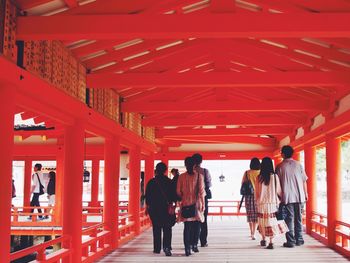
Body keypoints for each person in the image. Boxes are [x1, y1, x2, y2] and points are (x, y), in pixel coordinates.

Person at [276, 145, 308, 248]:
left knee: (289, 219)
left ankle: (290, 241)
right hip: (299, 195)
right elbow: (304, 181)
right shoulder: (299, 165)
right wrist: (306, 193)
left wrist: (278, 197)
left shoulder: (280, 166)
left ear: (283, 154)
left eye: (281, 152)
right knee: (298, 218)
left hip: (287, 196)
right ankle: (299, 240)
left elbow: (277, 184)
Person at [255, 157, 288, 249]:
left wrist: (257, 201)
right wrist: (280, 200)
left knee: (262, 221)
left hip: (261, 204)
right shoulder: (275, 177)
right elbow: (279, 191)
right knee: (272, 222)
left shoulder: (259, 177)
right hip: (272, 203)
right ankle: (271, 242)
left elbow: (256, 192)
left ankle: (263, 239)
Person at [145, 162, 176, 256]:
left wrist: (148, 207)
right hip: (166, 208)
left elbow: (147, 197)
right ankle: (167, 247)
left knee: (156, 228)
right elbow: (174, 196)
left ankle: (157, 248)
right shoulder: (169, 182)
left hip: (154, 209)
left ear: (156, 170)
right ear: (165, 171)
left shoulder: (151, 182)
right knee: (167, 228)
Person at [177, 157, 205, 256]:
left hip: (185, 204)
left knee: (187, 227)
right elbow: (202, 192)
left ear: (185, 165)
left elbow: (178, 192)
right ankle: (194, 244)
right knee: (197, 226)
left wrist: (183, 199)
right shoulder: (199, 176)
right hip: (197, 205)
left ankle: (187, 248)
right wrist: (203, 205)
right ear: (194, 165)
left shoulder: (181, 177)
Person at [192, 153, 212, 247]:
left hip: (191, 199)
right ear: (201, 161)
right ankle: (203, 241)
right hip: (202, 198)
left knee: (191, 220)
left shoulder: (190, 171)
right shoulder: (205, 171)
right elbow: (209, 184)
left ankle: (192, 241)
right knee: (203, 219)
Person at [241, 157, 260, 240]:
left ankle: (251, 233)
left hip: (248, 196)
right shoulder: (260, 172)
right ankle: (254, 233)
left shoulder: (247, 173)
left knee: (250, 214)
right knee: (256, 214)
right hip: (258, 195)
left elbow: (242, 183)